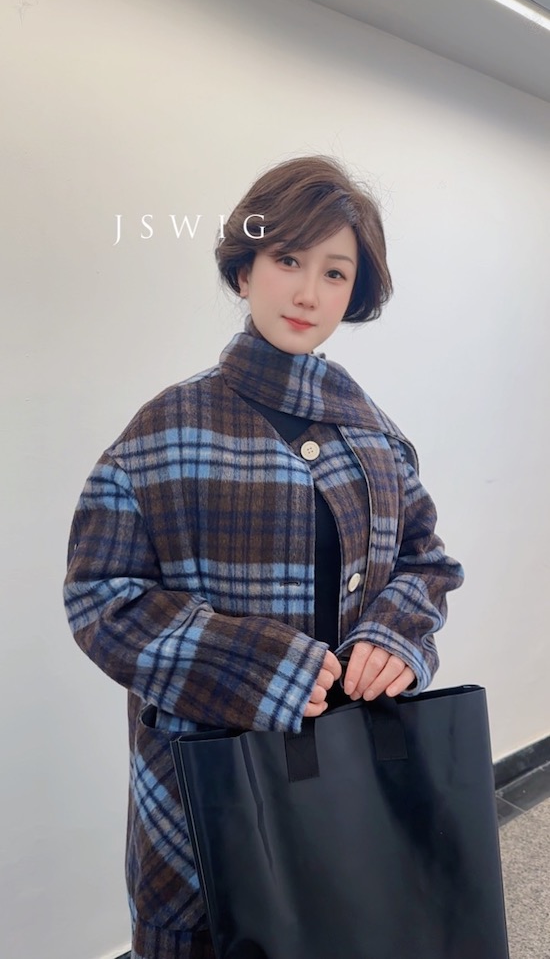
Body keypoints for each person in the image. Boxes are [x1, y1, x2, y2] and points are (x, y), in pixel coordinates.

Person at [64, 155, 464, 959]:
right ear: (244, 270)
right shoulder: (165, 430)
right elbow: (100, 596)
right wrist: (258, 667)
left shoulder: (376, 436)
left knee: (356, 925)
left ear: (355, 293)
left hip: (353, 777)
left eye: (335, 272)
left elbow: (426, 562)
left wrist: (395, 636)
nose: (308, 292)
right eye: (288, 259)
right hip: (205, 787)